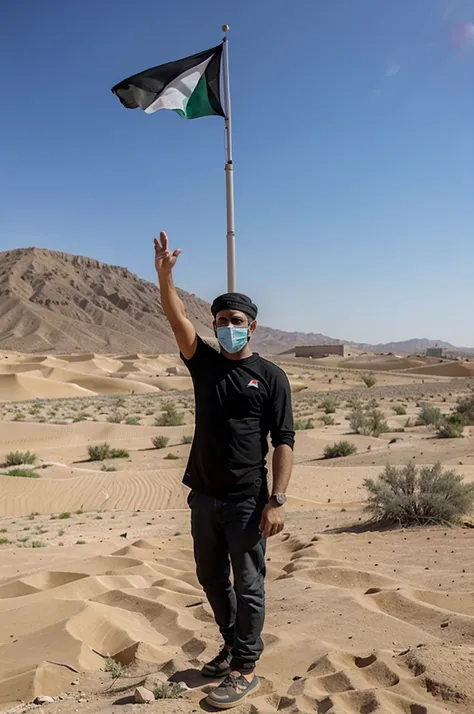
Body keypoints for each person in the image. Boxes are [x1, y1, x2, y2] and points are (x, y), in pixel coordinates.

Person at [154, 232, 295, 709]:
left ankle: (246, 667)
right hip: (204, 496)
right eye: (220, 321)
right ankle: (232, 643)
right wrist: (165, 276)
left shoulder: (271, 377)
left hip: (247, 499)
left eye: (235, 321)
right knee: (210, 578)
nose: (226, 327)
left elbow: (284, 441)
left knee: (249, 584)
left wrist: (276, 500)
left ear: (251, 327)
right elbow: (176, 319)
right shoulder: (205, 364)